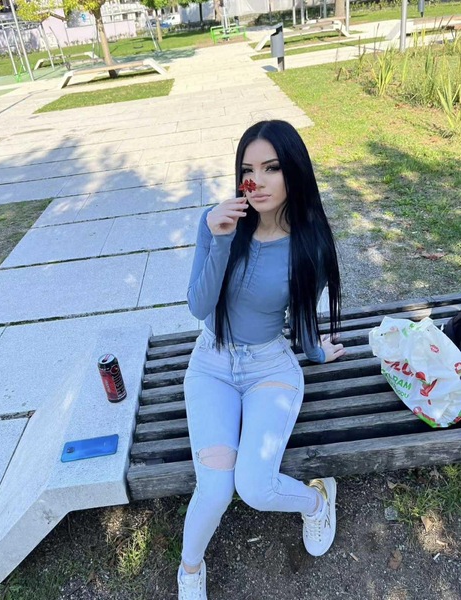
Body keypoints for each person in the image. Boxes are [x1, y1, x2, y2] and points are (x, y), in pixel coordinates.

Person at [177, 120, 346, 600]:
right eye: (248, 170)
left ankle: (317, 501)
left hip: (269, 368)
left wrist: (316, 351)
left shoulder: (310, 243)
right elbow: (199, 306)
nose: (257, 181)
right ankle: (189, 571)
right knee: (215, 489)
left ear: (293, 171)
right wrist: (220, 237)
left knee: (254, 486)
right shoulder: (218, 222)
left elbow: (303, 316)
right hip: (212, 366)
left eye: (271, 168)